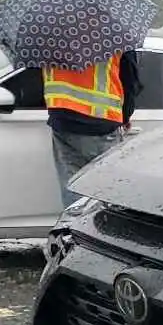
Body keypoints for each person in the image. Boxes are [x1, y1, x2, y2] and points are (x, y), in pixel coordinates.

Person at [43, 49, 141, 207]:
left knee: (73, 193)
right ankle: (100, 229)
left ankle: (74, 229)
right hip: (101, 123)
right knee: (107, 195)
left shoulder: (51, 31)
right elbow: (130, 83)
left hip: (62, 120)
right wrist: (125, 116)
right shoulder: (115, 33)